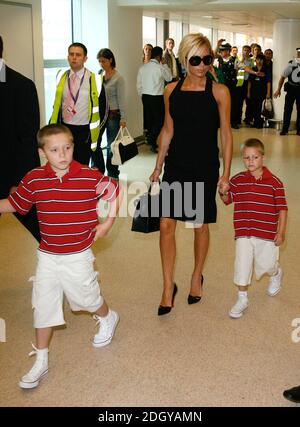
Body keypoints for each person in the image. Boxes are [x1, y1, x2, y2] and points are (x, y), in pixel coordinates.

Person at [0, 124, 121, 389]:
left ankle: (107, 316)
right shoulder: (34, 178)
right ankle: (41, 360)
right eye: (54, 150)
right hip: (48, 256)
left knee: (86, 298)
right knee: (42, 305)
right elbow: (16, 203)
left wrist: (108, 222)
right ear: (42, 152)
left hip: (78, 254)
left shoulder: (88, 175)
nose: (63, 154)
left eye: (67, 147)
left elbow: (114, 191)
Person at [149, 33, 233, 315]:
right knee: (165, 225)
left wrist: (226, 174)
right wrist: (158, 164)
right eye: (195, 60)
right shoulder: (171, 90)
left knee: (199, 225)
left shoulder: (219, 92)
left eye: (206, 59)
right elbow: (167, 130)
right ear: (184, 60)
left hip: (204, 167)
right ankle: (166, 285)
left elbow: (226, 136)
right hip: (176, 165)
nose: (201, 65)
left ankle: (197, 275)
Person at [219, 138, 288, 318]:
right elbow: (227, 201)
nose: (251, 161)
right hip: (244, 232)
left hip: (266, 234)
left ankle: (276, 273)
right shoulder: (238, 180)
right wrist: (223, 191)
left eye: (255, 157)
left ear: (262, 157)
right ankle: (242, 297)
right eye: (247, 158)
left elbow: (282, 209)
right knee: (242, 264)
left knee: (267, 265)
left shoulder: (275, 183)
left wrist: (280, 232)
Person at [0, 35, 41, 242]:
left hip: (12, 175)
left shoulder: (21, 86)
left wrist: (20, 182)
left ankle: (72, 264)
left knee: (40, 226)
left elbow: (27, 140)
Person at [50, 42, 108, 172]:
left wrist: (97, 132)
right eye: (71, 54)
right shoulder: (61, 76)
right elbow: (57, 104)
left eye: (78, 55)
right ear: (68, 57)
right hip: (64, 129)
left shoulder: (95, 80)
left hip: (84, 131)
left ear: (85, 58)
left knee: (81, 166)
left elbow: (104, 110)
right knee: (64, 164)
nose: (74, 57)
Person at [137, 46, 172, 153]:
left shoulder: (143, 68)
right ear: (160, 56)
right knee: (160, 121)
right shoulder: (160, 68)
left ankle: (152, 142)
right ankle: (151, 139)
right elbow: (169, 78)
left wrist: (142, 97)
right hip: (157, 97)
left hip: (145, 97)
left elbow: (139, 85)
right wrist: (165, 65)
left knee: (150, 121)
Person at [97, 48, 126, 179]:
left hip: (114, 116)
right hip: (100, 115)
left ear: (110, 60)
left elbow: (121, 99)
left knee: (111, 146)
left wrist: (123, 118)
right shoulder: (99, 76)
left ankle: (113, 172)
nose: (101, 64)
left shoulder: (118, 78)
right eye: (99, 61)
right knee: (95, 143)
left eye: (103, 61)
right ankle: (97, 169)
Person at [274, 47, 300, 136]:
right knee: (287, 109)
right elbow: (282, 77)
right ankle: (285, 129)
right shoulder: (291, 63)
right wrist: (278, 89)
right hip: (291, 89)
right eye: (298, 52)